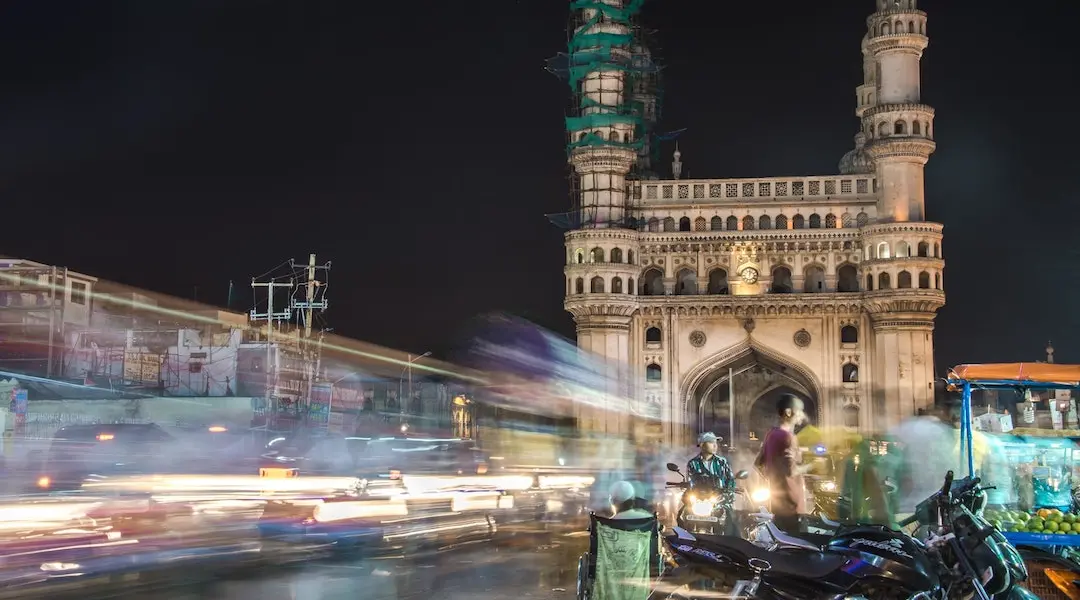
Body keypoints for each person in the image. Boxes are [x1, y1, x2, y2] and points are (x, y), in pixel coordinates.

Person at [755, 394, 811, 533]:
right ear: (788, 412)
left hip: (777, 506)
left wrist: (774, 479)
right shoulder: (789, 437)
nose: (802, 415)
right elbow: (791, 471)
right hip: (793, 506)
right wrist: (812, 465)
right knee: (800, 548)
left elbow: (758, 464)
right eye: (800, 410)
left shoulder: (771, 434)